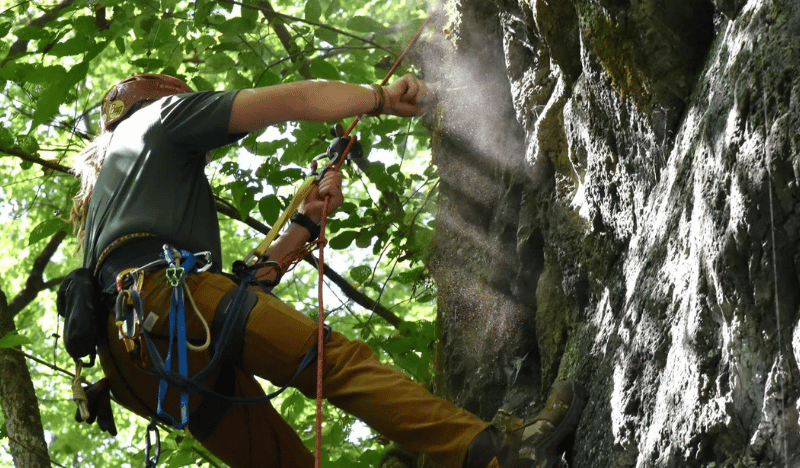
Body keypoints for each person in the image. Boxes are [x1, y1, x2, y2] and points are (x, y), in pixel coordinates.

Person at [69, 72, 586, 468]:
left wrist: (304, 224)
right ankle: (499, 453)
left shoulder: (115, 201)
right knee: (334, 363)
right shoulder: (158, 118)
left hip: (135, 363)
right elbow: (296, 98)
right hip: (169, 305)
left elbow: (235, 300)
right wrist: (381, 99)